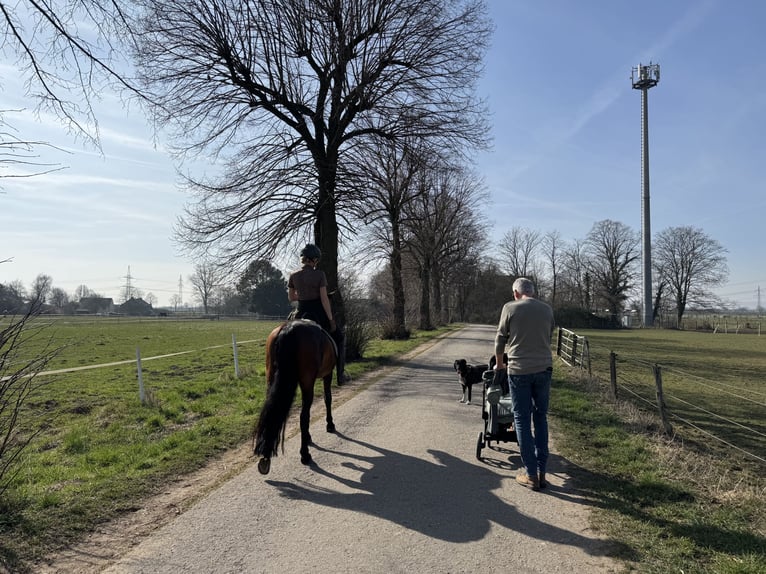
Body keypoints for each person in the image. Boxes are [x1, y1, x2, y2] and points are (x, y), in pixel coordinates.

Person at [494, 277, 555, 491]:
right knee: (540, 416)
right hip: (544, 368)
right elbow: (549, 335)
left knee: (521, 418)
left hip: (519, 369)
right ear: (533, 292)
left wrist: (500, 364)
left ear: (516, 293)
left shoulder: (510, 307)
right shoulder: (547, 309)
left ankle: (530, 474)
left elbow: (501, 338)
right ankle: (542, 472)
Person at [287, 244, 336, 334]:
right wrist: (331, 319)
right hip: (317, 313)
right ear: (314, 259)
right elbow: (324, 299)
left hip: (300, 311)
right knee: (338, 336)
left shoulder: (293, 275)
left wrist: (302, 295)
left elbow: (291, 298)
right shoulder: (320, 274)